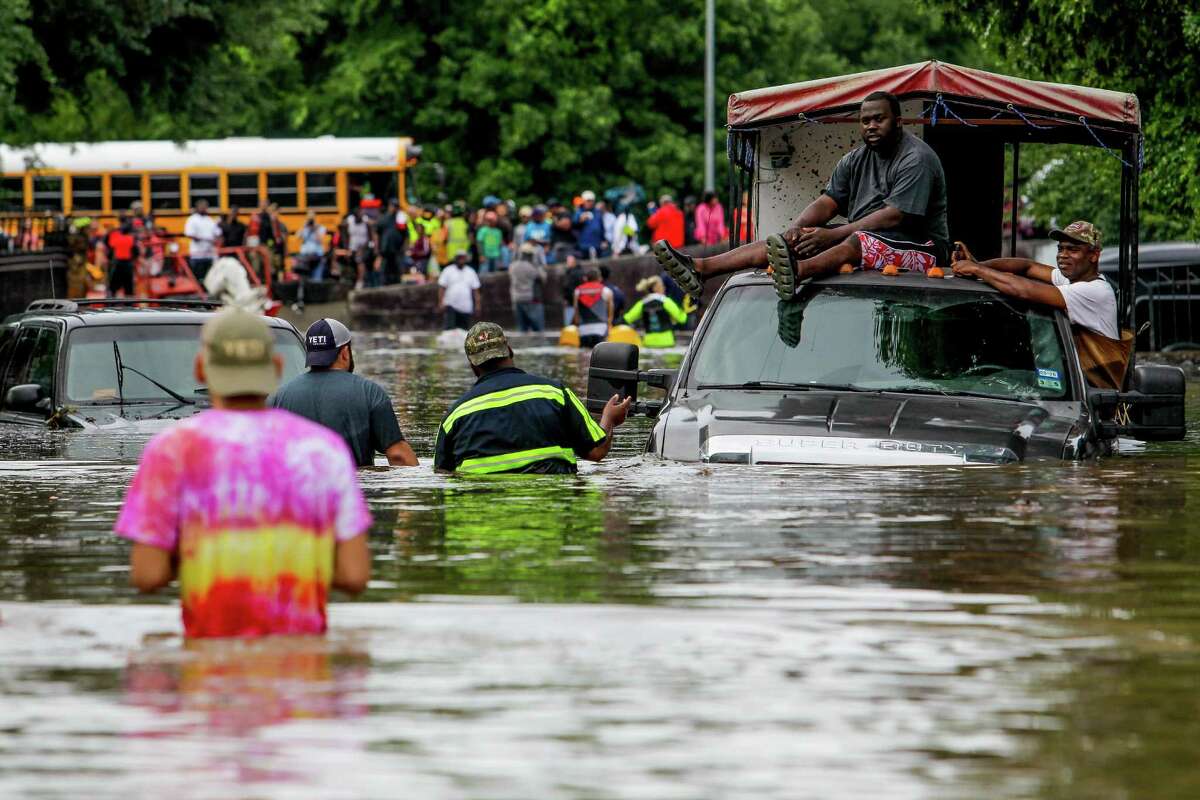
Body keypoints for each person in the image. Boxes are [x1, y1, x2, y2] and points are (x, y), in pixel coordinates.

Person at [113, 310, 371, 638]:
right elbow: (354, 575)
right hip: (304, 674)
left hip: (209, 673)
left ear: (200, 369)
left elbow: (148, 575)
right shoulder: (325, 451)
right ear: (277, 368)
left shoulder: (171, 450)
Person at [655, 91, 949, 302]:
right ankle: (703, 268)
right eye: (865, 120)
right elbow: (828, 202)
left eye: (879, 119)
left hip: (923, 248)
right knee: (794, 237)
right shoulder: (855, 159)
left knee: (856, 241)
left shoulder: (916, 158)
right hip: (865, 239)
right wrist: (796, 229)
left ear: (898, 122)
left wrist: (830, 236)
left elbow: (895, 215)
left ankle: (796, 273)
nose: (871, 126)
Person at [433, 322, 631, 474]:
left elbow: (443, 474)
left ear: (473, 365)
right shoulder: (555, 394)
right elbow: (596, 451)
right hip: (552, 518)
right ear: (510, 351)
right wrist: (609, 419)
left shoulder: (455, 417)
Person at [951, 220, 1126, 387]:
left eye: (1073, 250)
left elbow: (1024, 289)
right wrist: (978, 264)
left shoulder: (1095, 292)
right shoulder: (1070, 280)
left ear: (1094, 255)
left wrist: (977, 269)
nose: (1063, 255)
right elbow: (1028, 267)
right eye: (1061, 249)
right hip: (1080, 387)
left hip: (1099, 397)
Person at [270, 318, 418, 467]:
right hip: (353, 487)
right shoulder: (370, 392)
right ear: (345, 353)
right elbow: (399, 456)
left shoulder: (279, 397)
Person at [624, 275, 688, 348]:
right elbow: (682, 319)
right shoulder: (666, 301)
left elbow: (627, 319)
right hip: (666, 341)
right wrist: (684, 310)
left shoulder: (642, 303)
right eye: (661, 286)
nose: (664, 288)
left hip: (648, 342)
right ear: (655, 288)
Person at [509, 241, 548, 332]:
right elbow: (543, 278)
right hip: (531, 299)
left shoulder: (513, 266)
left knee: (522, 329)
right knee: (538, 329)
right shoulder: (531, 267)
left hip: (517, 299)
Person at [439, 250, 482, 330]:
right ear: (456, 259)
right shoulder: (448, 270)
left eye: (463, 258)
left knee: (464, 331)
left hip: (465, 307)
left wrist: (477, 305)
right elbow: (442, 288)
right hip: (451, 305)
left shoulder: (471, 272)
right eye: (459, 258)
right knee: (450, 330)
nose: (461, 260)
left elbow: (476, 290)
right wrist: (441, 302)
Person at [573, 266, 614, 348]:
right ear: (599, 278)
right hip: (601, 329)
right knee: (599, 356)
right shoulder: (606, 291)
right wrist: (609, 325)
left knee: (583, 356)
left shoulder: (577, 291)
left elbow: (576, 311)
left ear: (586, 278)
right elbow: (610, 313)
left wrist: (577, 326)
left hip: (583, 329)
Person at [184, 199, 220, 283]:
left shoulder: (209, 220)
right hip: (197, 254)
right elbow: (189, 234)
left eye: (205, 207)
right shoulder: (192, 219)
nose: (204, 208)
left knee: (209, 276)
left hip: (209, 254)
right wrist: (205, 239)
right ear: (197, 208)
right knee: (198, 277)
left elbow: (217, 233)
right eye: (202, 207)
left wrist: (217, 239)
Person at [343, 207, 374, 289]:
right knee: (351, 263)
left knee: (359, 260)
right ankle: (351, 281)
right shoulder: (350, 220)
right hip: (352, 247)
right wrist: (347, 248)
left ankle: (360, 281)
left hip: (364, 246)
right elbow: (344, 231)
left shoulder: (365, 220)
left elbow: (371, 231)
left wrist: (368, 246)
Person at [572, 189, 608, 259]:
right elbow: (574, 225)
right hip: (584, 245)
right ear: (583, 201)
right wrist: (580, 220)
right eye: (588, 201)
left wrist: (604, 240)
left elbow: (602, 227)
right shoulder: (579, 212)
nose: (590, 203)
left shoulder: (597, 212)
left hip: (597, 244)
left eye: (592, 201)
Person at [296, 210, 327, 279]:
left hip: (317, 255)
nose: (310, 220)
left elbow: (320, 240)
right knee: (305, 278)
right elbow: (297, 237)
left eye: (312, 218)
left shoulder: (320, 227)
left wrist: (315, 229)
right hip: (305, 256)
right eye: (309, 218)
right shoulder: (304, 228)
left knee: (317, 278)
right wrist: (304, 227)